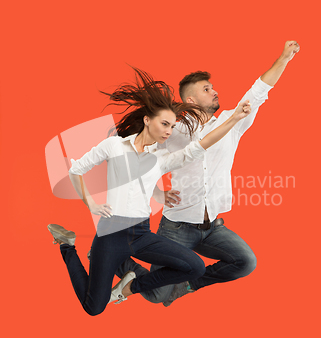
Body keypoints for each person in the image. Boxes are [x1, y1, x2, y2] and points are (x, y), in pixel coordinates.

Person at [47, 68, 252, 316]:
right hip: (111, 234)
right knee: (94, 308)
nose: (169, 131)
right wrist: (90, 203)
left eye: (172, 126)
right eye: (165, 124)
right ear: (147, 120)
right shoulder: (114, 146)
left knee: (195, 267)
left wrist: (234, 119)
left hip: (142, 234)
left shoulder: (160, 158)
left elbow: (202, 144)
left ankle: (129, 287)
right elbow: (76, 170)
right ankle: (68, 246)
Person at [115, 41, 300, 307]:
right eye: (207, 89)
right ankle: (111, 256)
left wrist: (284, 58)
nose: (215, 92)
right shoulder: (173, 130)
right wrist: (156, 192)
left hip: (212, 227)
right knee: (157, 296)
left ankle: (187, 284)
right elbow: (140, 160)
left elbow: (259, 91)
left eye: (212, 87)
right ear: (191, 100)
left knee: (245, 262)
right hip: (176, 227)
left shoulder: (231, 121)